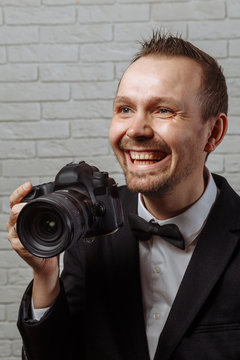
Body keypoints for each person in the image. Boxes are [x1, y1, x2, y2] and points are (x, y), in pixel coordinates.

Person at [6, 31, 240, 360]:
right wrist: (45, 275)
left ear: (213, 133)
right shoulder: (88, 228)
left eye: (164, 110)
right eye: (125, 109)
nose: (136, 130)